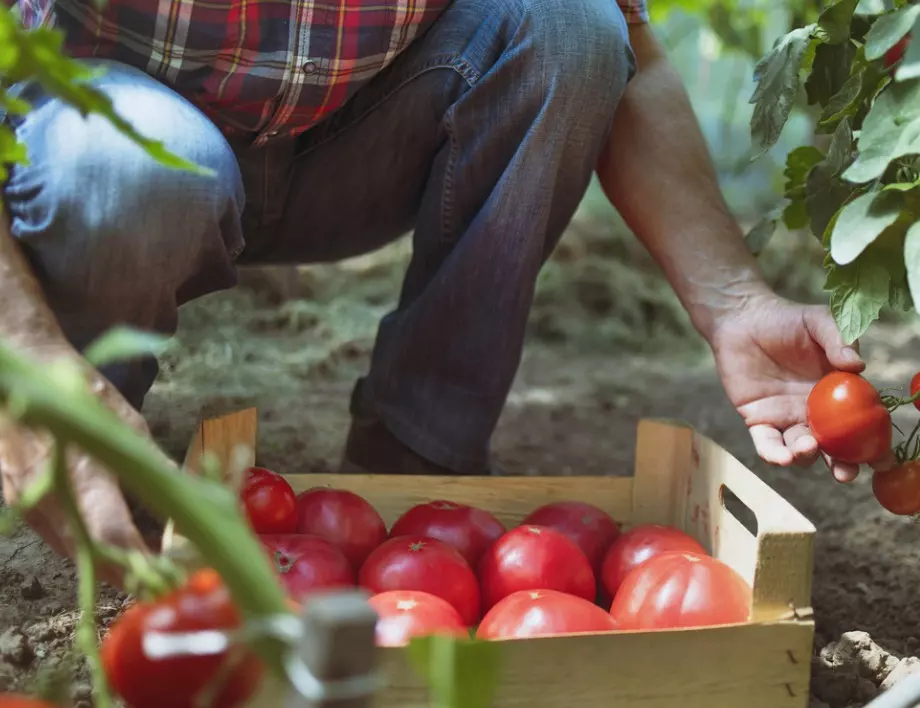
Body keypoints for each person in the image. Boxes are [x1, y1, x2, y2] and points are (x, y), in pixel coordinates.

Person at [0, 0, 883, 568]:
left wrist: (735, 300)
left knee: (570, 26)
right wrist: (24, 354)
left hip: (351, 140)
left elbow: (629, 51)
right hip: (106, 143)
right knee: (137, 176)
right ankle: (83, 446)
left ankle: (418, 455)